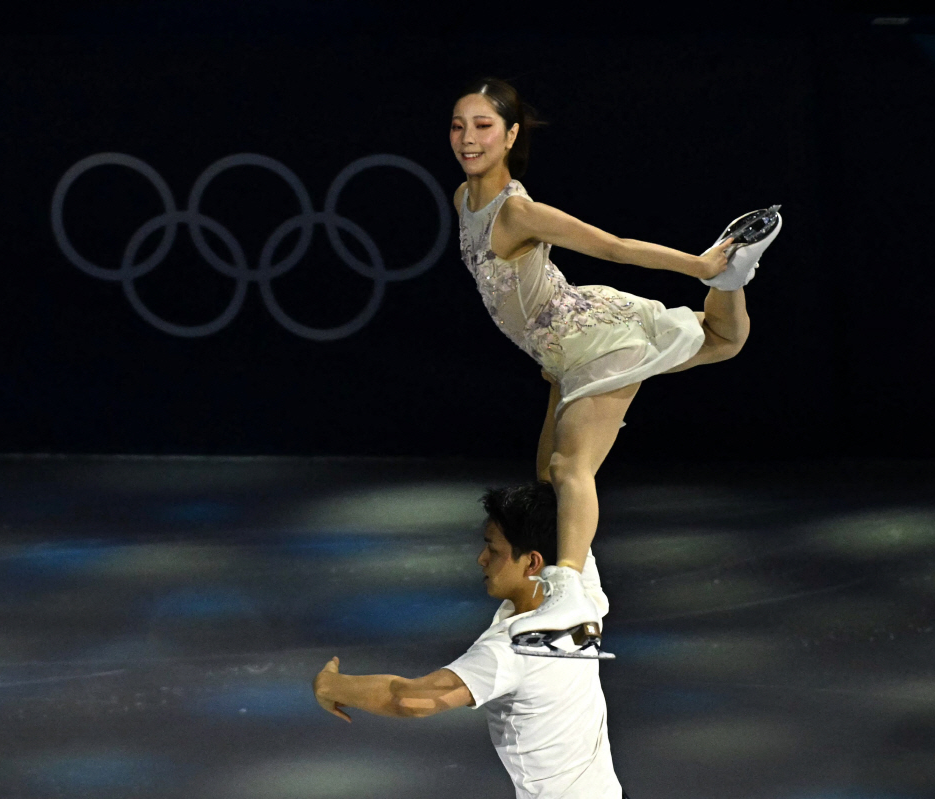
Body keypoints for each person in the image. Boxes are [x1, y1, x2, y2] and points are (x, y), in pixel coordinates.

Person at [451, 77, 781, 656]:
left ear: (510, 136)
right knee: (721, 342)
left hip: (591, 342)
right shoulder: (463, 197)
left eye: (483, 126)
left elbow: (614, 246)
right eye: (459, 125)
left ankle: (570, 596)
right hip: (561, 351)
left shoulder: (519, 212)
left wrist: (696, 265)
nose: (468, 138)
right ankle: (733, 279)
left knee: (568, 467)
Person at [312, 482, 627, 799]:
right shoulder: (579, 595)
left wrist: (328, 686)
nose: (481, 558)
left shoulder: (511, 648)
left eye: (493, 550)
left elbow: (407, 699)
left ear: (532, 562)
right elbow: (563, 481)